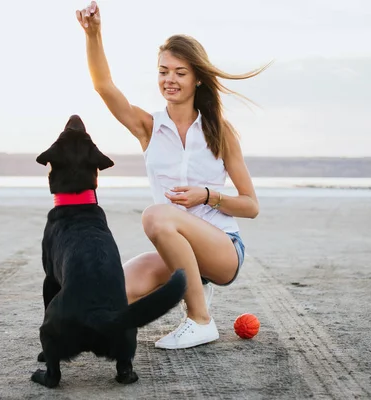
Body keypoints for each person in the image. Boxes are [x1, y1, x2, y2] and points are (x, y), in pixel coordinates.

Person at [76, 1, 267, 349]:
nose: (170, 80)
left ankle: (199, 319)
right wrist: (94, 34)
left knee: (157, 216)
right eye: (164, 71)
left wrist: (206, 195)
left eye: (180, 72)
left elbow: (251, 206)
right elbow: (104, 86)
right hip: (175, 251)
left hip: (222, 250)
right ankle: (195, 289)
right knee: (102, 300)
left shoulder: (220, 133)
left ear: (196, 78)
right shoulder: (148, 127)